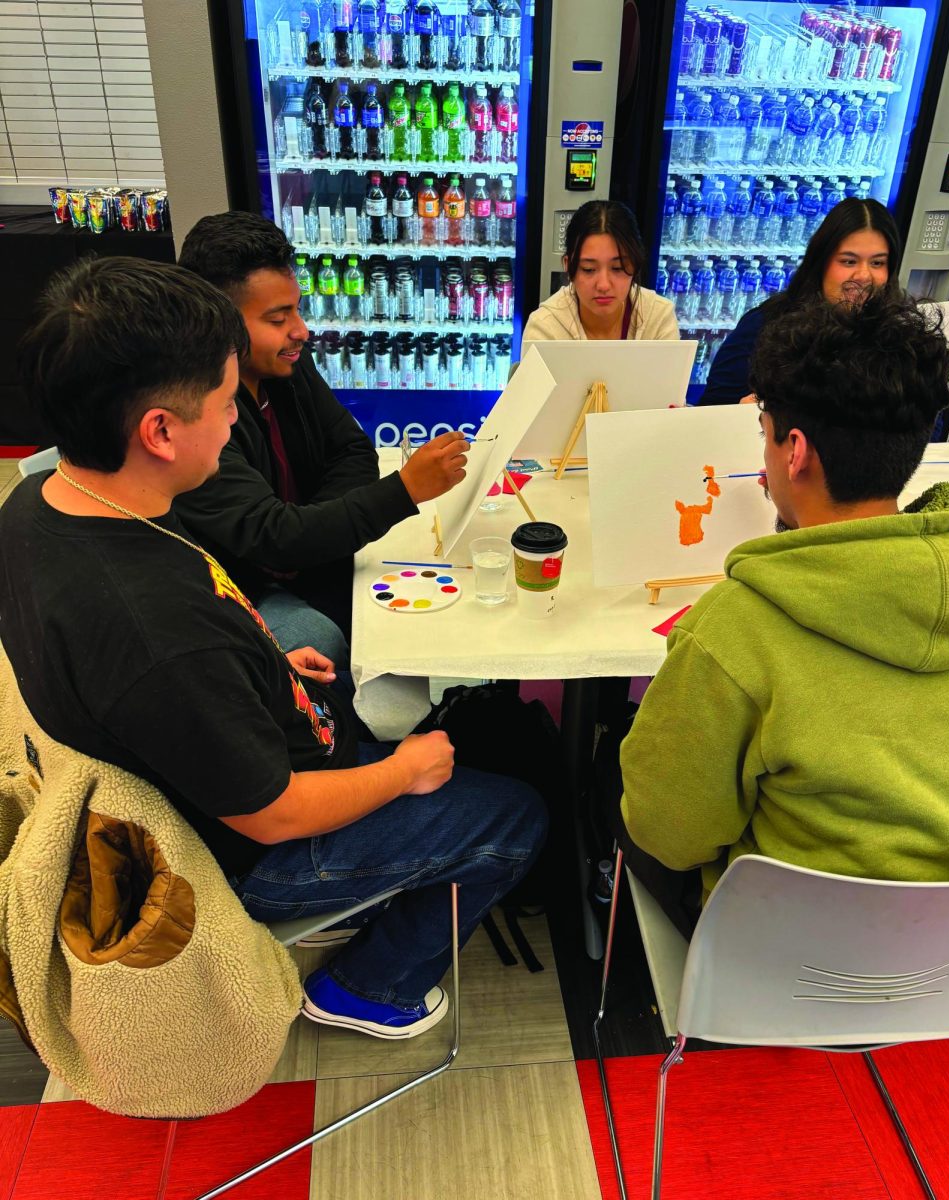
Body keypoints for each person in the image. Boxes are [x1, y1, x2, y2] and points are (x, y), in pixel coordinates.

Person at [0, 257, 547, 1040]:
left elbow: (165, 681)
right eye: (225, 405)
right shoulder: (157, 634)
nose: (235, 423)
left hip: (237, 749)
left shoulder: (40, 505)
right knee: (516, 814)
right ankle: (368, 985)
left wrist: (262, 666)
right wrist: (400, 771)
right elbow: (273, 815)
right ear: (159, 429)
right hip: (247, 856)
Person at [618, 288, 949, 931]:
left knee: (610, 796)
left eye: (764, 432)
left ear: (795, 451)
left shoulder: (731, 632)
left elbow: (672, 836)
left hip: (778, 964)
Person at [174, 211, 469, 666]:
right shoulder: (197, 414)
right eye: (278, 318)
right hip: (239, 589)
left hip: (308, 563)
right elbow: (270, 536)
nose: (300, 330)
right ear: (219, 323)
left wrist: (311, 531)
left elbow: (351, 451)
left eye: (296, 308)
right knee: (324, 636)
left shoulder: (286, 367)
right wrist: (404, 491)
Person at [698, 197, 902, 406]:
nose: (863, 276)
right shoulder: (763, 326)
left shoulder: (901, 337)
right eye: (848, 261)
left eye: (877, 263)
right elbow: (711, 414)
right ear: (821, 263)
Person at [522, 200, 679, 343]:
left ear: (635, 264)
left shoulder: (658, 319)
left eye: (617, 268)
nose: (603, 285)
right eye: (589, 269)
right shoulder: (545, 329)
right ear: (568, 266)